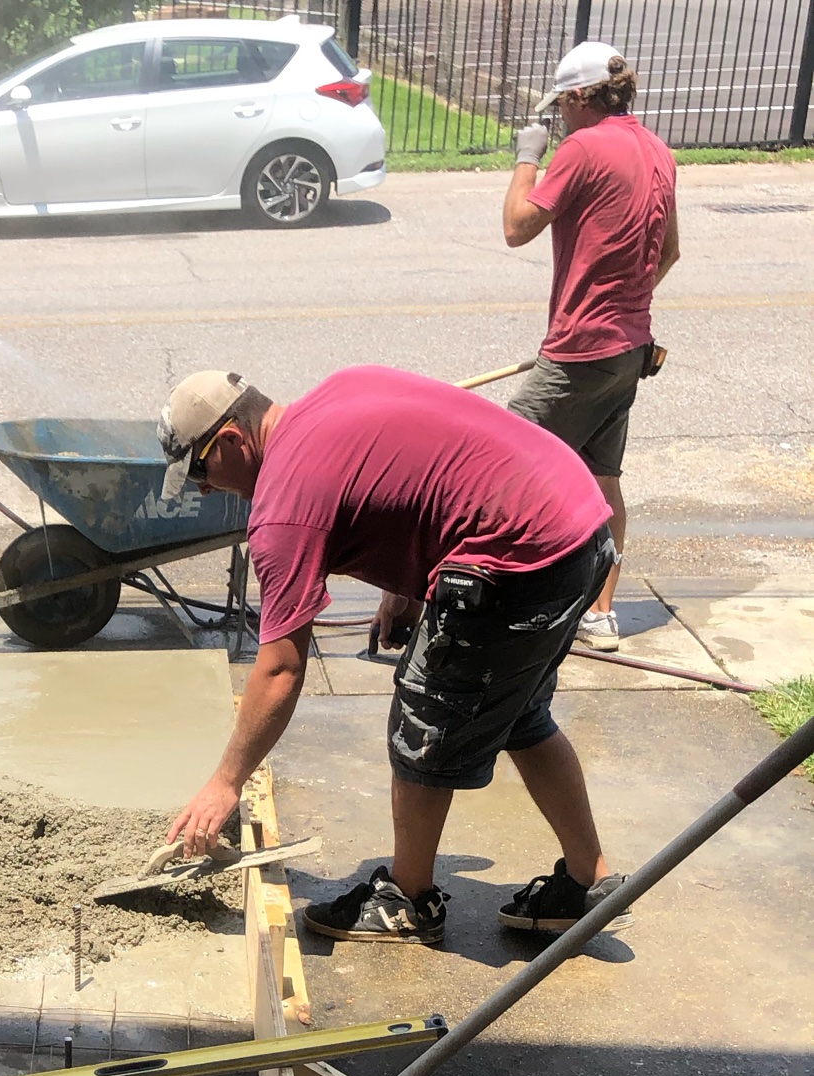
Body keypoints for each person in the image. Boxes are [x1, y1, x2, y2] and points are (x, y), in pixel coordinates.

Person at [158, 363, 624, 946]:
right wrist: (402, 591)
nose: (203, 487)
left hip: (521, 556)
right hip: (578, 525)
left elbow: (280, 669)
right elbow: (420, 471)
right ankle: (588, 881)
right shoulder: (341, 387)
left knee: (423, 717)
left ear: (231, 439)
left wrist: (225, 783)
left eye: (200, 470)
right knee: (521, 714)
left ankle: (409, 901)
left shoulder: (281, 507)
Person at [504, 41, 679, 653]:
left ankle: (500, 601)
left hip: (581, 350)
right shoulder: (657, 150)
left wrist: (528, 159)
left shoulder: (582, 147)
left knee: (499, 457)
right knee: (601, 479)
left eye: (562, 108)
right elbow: (670, 252)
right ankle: (600, 615)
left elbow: (517, 227)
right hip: (629, 348)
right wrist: (622, 307)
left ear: (580, 97)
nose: (559, 121)